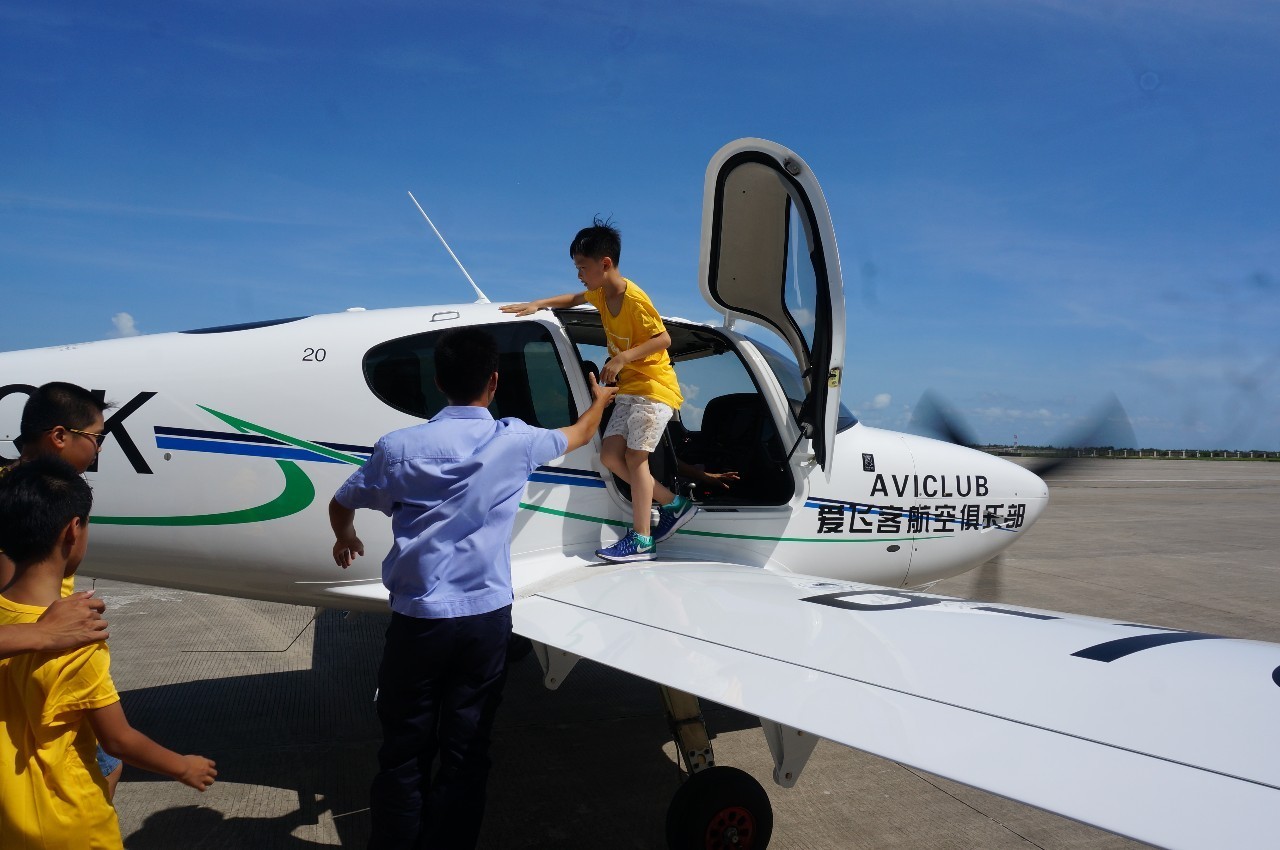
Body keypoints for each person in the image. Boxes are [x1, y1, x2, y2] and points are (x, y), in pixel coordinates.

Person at [328, 326, 617, 850]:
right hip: (485, 623)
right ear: (494, 381)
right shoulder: (516, 440)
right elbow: (576, 435)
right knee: (466, 749)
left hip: (417, 623)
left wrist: (344, 536)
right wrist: (599, 402)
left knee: (403, 751)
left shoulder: (397, 448)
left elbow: (342, 500)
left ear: (438, 381)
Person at [0, 457, 217, 850]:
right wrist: (184, 766)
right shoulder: (78, 639)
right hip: (67, 824)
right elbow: (118, 740)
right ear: (73, 530)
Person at [501, 217, 698, 562]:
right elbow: (576, 297)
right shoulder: (601, 294)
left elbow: (663, 338)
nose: (579, 274)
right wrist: (538, 304)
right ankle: (675, 504)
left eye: (583, 267)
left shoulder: (633, 299)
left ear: (605, 264)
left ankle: (641, 540)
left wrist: (622, 358)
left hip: (653, 388)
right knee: (609, 456)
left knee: (636, 459)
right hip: (630, 390)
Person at [0, 381, 119, 795]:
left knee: (104, 765)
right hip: (26, 669)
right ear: (59, 436)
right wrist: (43, 633)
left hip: (41, 658)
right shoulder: (15, 499)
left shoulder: (24, 488)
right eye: (96, 438)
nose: (98, 449)